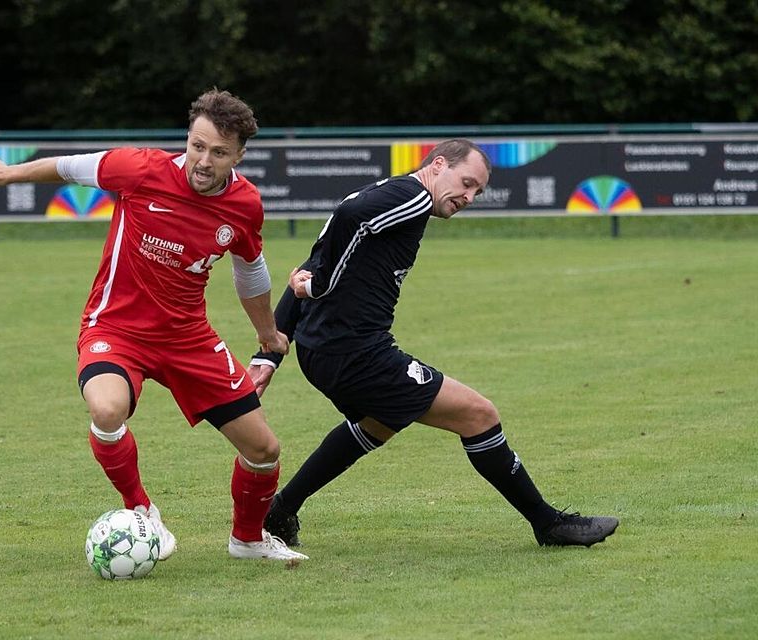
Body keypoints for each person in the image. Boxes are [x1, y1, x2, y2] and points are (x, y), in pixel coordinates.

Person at [0, 89, 307, 562]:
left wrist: (267, 334)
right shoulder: (140, 169)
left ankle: (246, 540)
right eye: (196, 146)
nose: (203, 161)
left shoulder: (245, 204)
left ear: (239, 154)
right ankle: (142, 512)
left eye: (219, 152)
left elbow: (250, 267)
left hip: (188, 338)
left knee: (264, 449)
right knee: (106, 410)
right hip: (116, 329)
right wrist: (7, 173)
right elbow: (70, 167)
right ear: (187, 138)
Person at [250, 139, 619, 549]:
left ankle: (281, 509)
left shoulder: (388, 194)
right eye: (466, 183)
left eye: (477, 191)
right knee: (479, 415)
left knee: (380, 423)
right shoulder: (414, 196)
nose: (469, 197)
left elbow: (314, 259)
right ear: (438, 164)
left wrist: (269, 354)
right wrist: (319, 286)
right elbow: (345, 223)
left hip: (326, 351)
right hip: (353, 353)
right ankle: (548, 524)